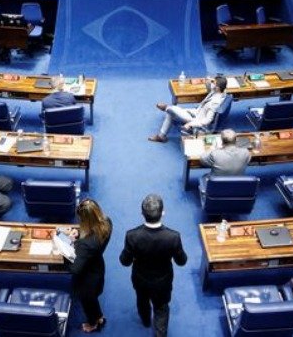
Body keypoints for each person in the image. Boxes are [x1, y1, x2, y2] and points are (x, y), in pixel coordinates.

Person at [119, 194, 187, 336]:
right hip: (163, 282)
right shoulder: (173, 237)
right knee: (161, 308)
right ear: (163, 213)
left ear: (142, 213)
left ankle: (145, 321)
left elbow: (125, 261)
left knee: (142, 301)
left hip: (140, 280)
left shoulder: (132, 235)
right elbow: (182, 261)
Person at [66, 199, 113, 333]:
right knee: (92, 299)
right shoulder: (107, 223)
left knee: (88, 301)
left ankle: (93, 324)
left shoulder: (85, 244)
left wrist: (66, 250)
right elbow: (92, 234)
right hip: (97, 267)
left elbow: (75, 269)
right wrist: (78, 232)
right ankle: (99, 317)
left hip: (86, 280)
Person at [149, 75, 229, 143]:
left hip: (196, 119)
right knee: (171, 112)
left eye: (213, 83)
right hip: (196, 112)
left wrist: (190, 124)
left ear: (217, 88)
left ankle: (167, 109)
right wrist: (210, 80)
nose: (212, 83)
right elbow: (210, 87)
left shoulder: (215, 103)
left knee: (171, 111)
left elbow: (207, 120)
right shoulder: (220, 92)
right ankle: (161, 136)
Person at [198, 128, 251, 192]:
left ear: (222, 141)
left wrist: (212, 149)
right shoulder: (246, 152)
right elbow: (247, 162)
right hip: (237, 185)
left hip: (217, 187)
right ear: (236, 140)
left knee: (204, 177)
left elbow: (202, 159)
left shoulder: (215, 153)